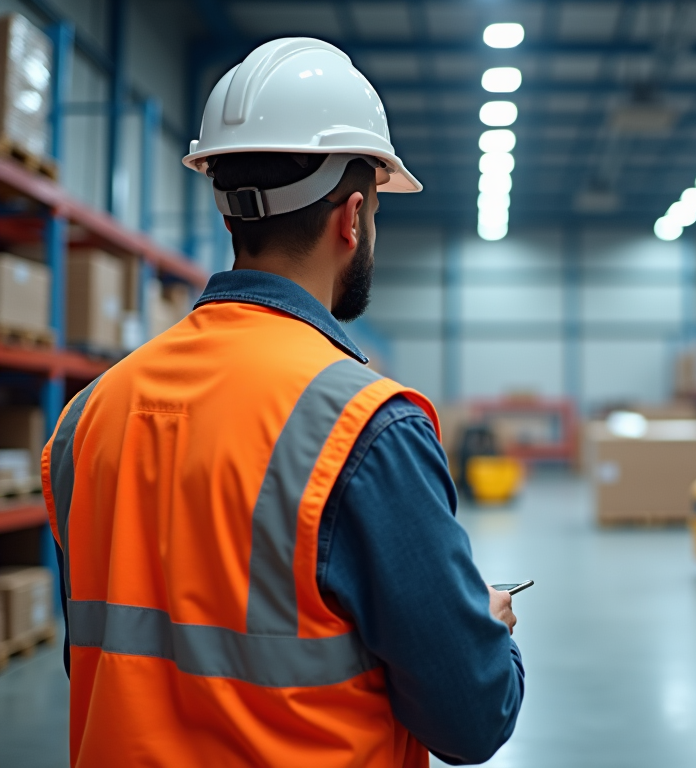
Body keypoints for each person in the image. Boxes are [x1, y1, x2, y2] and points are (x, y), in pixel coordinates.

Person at [42, 38, 523, 768]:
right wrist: (490, 634)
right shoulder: (365, 428)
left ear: (230, 209)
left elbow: (102, 660)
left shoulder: (88, 417)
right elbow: (471, 719)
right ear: (352, 218)